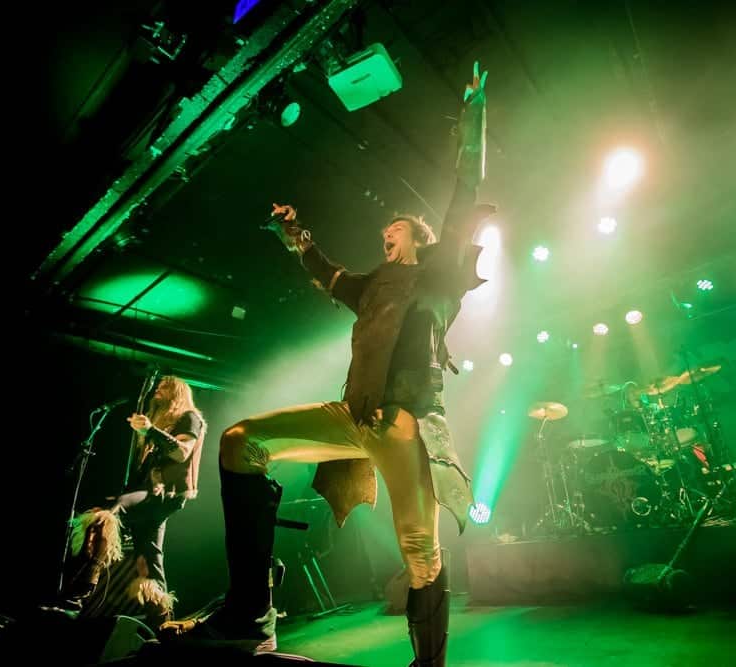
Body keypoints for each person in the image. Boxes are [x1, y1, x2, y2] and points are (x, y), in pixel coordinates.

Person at [168, 62, 494, 666]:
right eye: (385, 231)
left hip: (405, 421)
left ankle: (429, 663)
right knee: (240, 442)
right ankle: (250, 613)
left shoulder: (439, 273)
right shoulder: (371, 287)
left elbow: (464, 194)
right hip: (355, 415)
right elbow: (327, 274)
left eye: (394, 229)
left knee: (421, 554)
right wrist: (296, 236)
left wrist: (472, 122)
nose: (385, 234)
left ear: (417, 238)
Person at [60, 375, 207, 628]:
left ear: (177, 393)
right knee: (148, 558)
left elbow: (182, 453)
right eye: (157, 386)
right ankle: (161, 622)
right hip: (149, 492)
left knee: (107, 513)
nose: (157, 389)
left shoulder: (190, 417)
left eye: (164, 387)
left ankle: (76, 598)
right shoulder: (162, 420)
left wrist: (151, 431)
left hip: (164, 493)